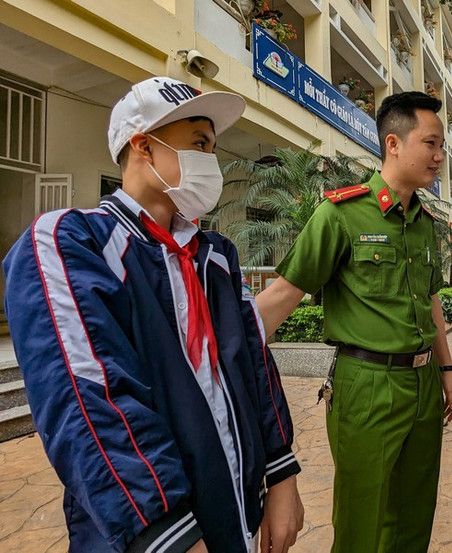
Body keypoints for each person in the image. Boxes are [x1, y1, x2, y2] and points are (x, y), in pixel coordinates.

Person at [2, 76, 303, 553]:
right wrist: (164, 533)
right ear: (144, 146)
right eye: (199, 144)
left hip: (239, 513)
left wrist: (280, 472)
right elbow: (88, 401)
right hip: (154, 535)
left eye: (213, 147)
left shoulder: (215, 255)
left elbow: (255, 364)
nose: (212, 161)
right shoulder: (71, 242)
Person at [254, 91, 452, 553]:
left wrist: (446, 370)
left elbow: (429, 299)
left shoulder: (426, 221)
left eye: (441, 146)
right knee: (362, 521)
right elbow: (286, 293)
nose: (439, 157)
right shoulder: (341, 214)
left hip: (424, 383)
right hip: (366, 384)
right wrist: (221, 350)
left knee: (415, 513)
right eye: (430, 144)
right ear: (394, 143)